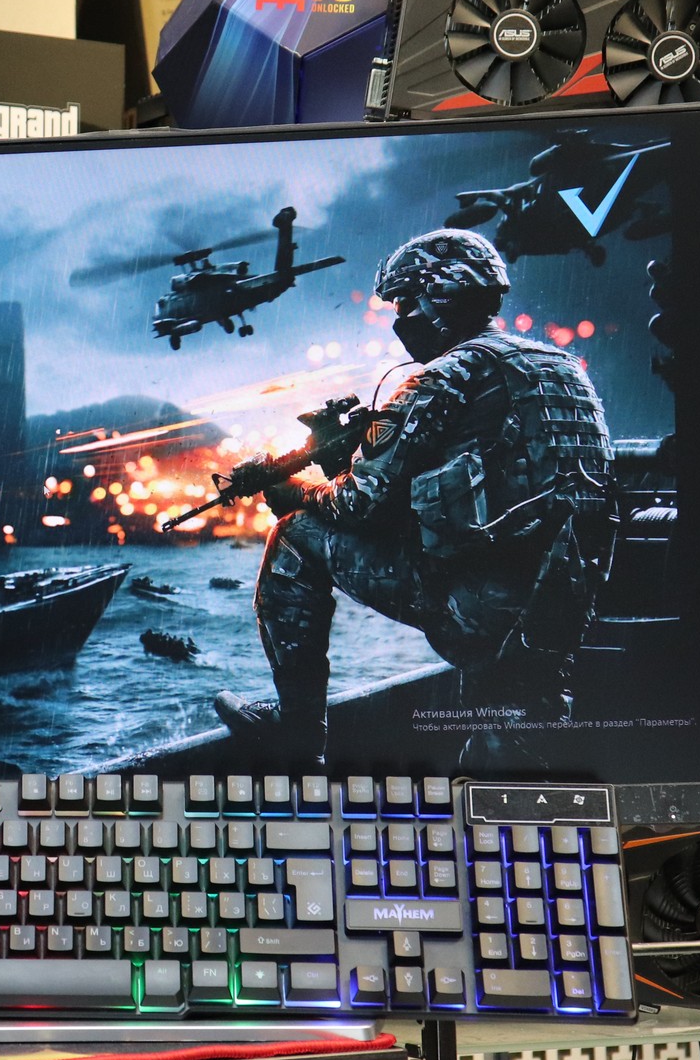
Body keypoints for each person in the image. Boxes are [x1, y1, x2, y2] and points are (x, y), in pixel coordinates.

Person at [213, 228, 615, 763]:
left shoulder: (446, 376)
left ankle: (298, 731)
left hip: (482, 611)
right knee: (505, 748)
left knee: (294, 535)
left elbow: (360, 505)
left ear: (438, 296)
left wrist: (293, 489)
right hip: (565, 609)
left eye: (405, 303)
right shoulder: (562, 369)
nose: (401, 319)